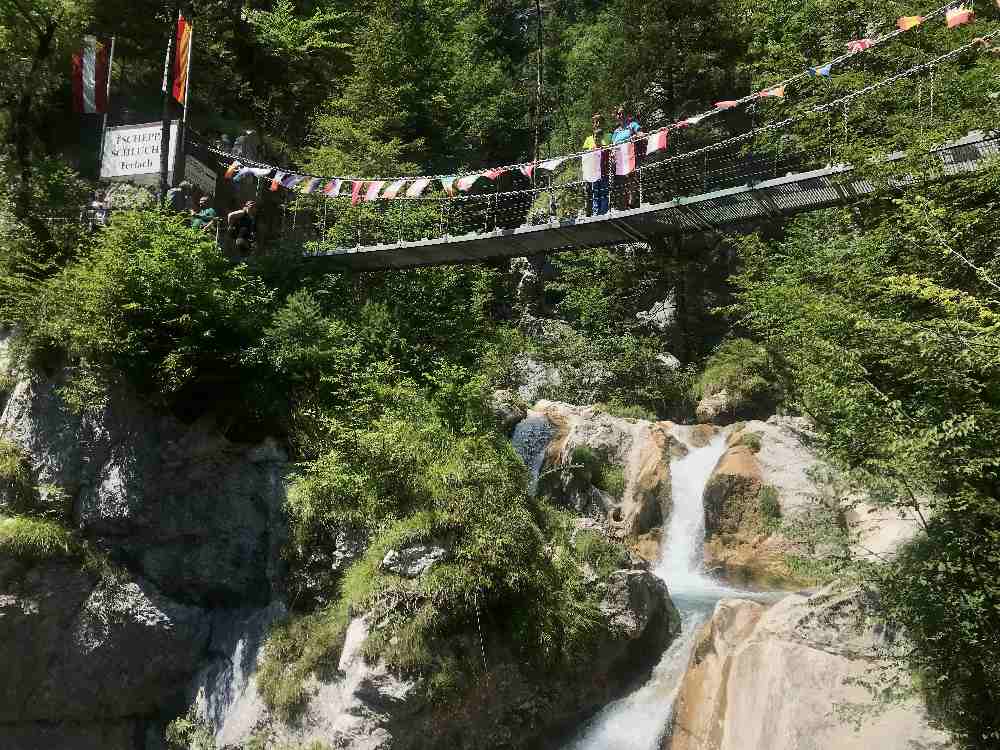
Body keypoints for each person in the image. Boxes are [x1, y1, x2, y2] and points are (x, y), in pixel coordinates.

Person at [611, 105, 643, 209]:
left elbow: (641, 134)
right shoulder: (616, 132)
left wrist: (635, 136)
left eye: (622, 113)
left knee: (631, 180)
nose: (621, 115)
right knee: (621, 182)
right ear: (616, 116)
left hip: (630, 156)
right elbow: (613, 146)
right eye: (619, 114)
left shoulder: (632, 125)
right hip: (619, 160)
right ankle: (622, 205)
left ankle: (631, 203)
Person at [583, 113, 611, 216]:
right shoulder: (588, 139)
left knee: (604, 191)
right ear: (593, 124)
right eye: (595, 122)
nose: (598, 124)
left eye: (600, 121)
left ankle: (604, 211)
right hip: (593, 170)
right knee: (595, 192)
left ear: (603, 124)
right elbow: (585, 155)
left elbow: (612, 150)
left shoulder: (609, 136)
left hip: (604, 169)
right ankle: (596, 212)